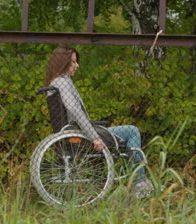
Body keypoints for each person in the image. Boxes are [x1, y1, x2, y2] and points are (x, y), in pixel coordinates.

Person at [45, 46, 154, 198]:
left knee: (127, 131)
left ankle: (136, 182)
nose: (77, 66)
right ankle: (139, 184)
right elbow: (75, 111)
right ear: (63, 63)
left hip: (73, 131)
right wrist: (94, 136)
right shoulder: (62, 82)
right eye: (73, 62)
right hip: (79, 132)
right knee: (132, 131)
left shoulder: (56, 82)